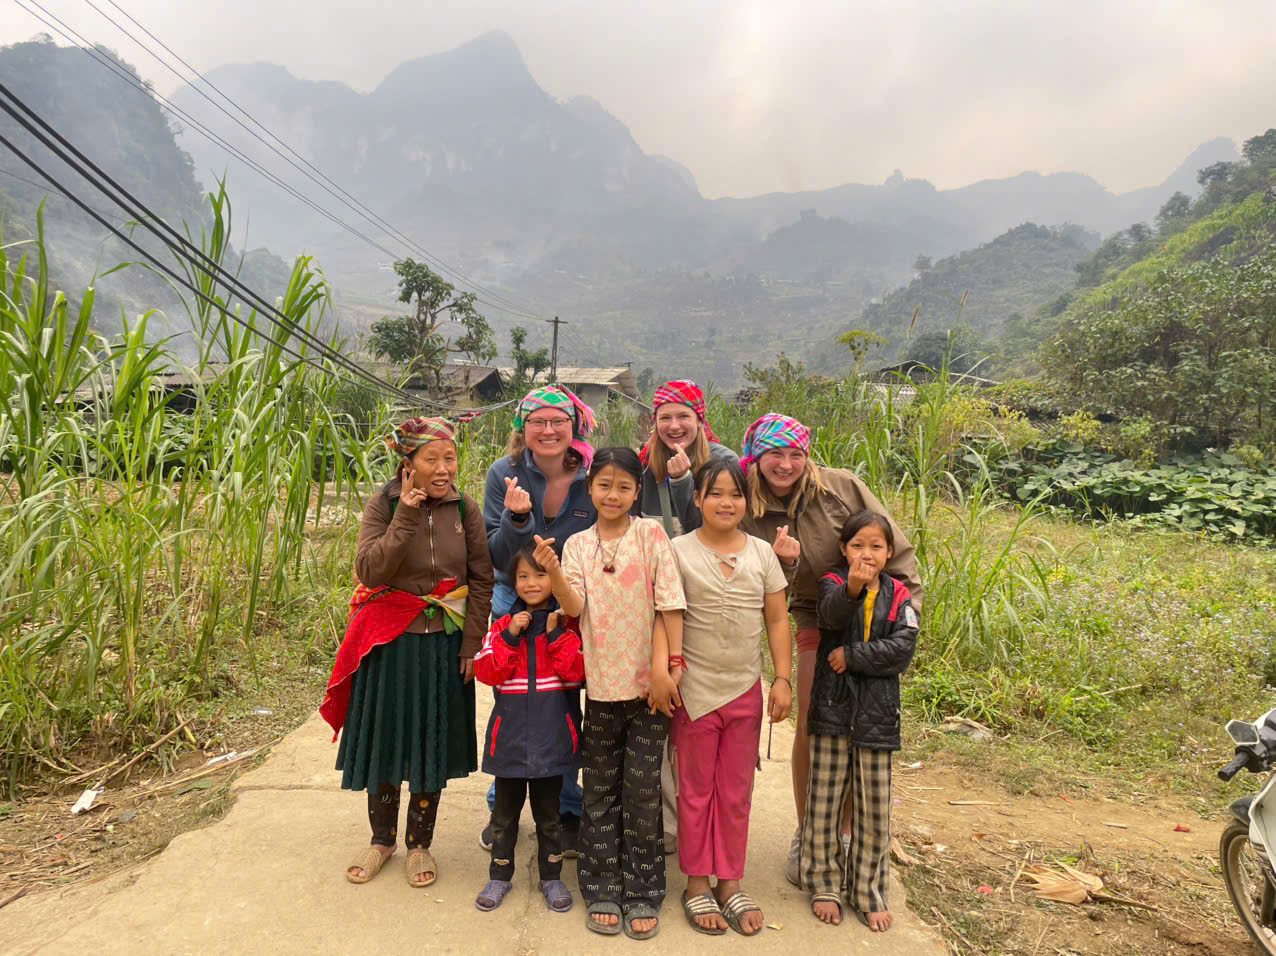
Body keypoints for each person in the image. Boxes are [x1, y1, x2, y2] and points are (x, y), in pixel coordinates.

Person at [736, 412, 923, 885]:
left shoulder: (840, 488)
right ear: (755, 457)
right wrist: (784, 566)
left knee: (863, 726)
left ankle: (850, 834)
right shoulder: (748, 504)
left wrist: (904, 617)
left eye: (795, 454)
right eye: (774, 454)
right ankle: (812, 833)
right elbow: (758, 582)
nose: (785, 464)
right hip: (815, 614)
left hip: (873, 617)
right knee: (815, 722)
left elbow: (894, 549)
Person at [321, 416, 493, 889]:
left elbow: (482, 579)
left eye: (449, 458)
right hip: (389, 643)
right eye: (431, 459)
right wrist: (406, 516)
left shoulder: (465, 509)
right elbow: (371, 572)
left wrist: (471, 643)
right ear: (408, 463)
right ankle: (381, 841)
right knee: (386, 740)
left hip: (443, 643)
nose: (443, 469)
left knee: (429, 744)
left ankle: (420, 844)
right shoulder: (384, 504)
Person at [536, 446, 686, 940]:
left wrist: (671, 668)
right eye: (604, 485)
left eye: (624, 487)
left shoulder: (651, 535)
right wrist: (553, 572)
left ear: (637, 491)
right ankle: (601, 884)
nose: (613, 495)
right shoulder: (578, 544)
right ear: (590, 488)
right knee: (599, 789)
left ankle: (643, 891)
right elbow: (574, 607)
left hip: (651, 691)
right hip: (600, 688)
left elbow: (669, 604)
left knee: (642, 791)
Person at [670, 458, 793, 936]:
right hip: (694, 691)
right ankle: (697, 883)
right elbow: (665, 616)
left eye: (736, 494)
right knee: (695, 791)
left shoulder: (762, 554)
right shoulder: (677, 551)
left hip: (745, 690)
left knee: (737, 792)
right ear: (697, 499)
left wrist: (782, 679)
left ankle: (730, 882)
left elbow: (777, 619)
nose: (726, 503)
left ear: (749, 501)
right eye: (715, 493)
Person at [481, 384, 598, 852]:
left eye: (558, 421)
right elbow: (495, 553)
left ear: (575, 427)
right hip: (515, 597)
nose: (548, 430)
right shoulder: (503, 474)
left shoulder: (592, 474)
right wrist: (517, 521)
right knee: (513, 702)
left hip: (572, 601)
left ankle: (566, 808)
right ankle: (503, 807)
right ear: (522, 428)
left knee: (564, 704)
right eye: (537, 422)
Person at [803, 510, 919, 930]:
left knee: (874, 808)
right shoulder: (832, 583)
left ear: (889, 553)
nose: (866, 554)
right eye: (857, 546)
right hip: (832, 708)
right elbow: (830, 618)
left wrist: (852, 656)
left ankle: (868, 891)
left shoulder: (900, 594)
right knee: (824, 800)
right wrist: (852, 587)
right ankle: (824, 884)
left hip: (878, 714)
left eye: (875, 546)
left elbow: (902, 649)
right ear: (843, 549)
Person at [637, 379, 737, 850]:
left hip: (706, 604)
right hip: (651, 603)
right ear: (653, 422)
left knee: (696, 713)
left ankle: (699, 818)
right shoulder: (643, 467)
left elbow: (713, 530)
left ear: (700, 419)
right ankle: (665, 821)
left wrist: (682, 485)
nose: (674, 426)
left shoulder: (724, 463)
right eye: (665, 418)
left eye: (684, 417)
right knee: (657, 707)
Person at [472, 545, 585, 914]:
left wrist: (553, 636)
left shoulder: (566, 627)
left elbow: (576, 673)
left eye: (541, 575)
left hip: (552, 740)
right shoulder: (501, 627)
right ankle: (499, 876)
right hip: (510, 740)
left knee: (550, 817)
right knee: (503, 817)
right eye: (523, 576)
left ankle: (551, 878)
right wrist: (510, 636)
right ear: (513, 582)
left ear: (555, 581)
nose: (532, 583)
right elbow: (487, 671)